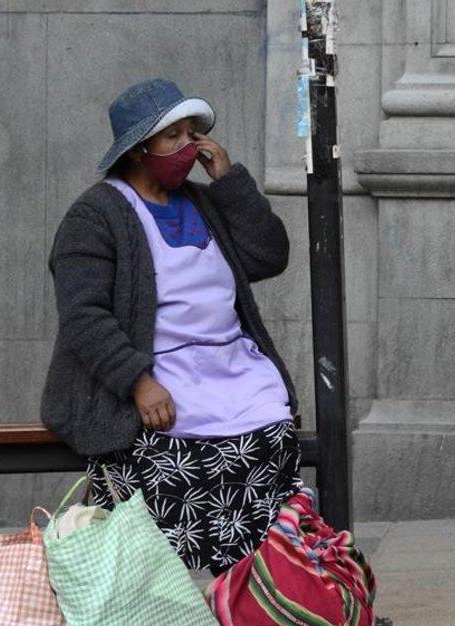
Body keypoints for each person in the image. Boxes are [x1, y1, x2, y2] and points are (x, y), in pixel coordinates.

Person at [41, 78, 301, 574]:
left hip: (232, 372)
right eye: (172, 137)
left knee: (271, 435)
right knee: (168, 457)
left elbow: (270, 255)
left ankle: (261, 595)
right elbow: (83, 314)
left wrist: (230, 184)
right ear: (138, 149)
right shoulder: (96, 215)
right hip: (153, 378)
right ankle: (166, 600)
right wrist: (138, 382)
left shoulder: (205, 204)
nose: (189, 147)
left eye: (192, 134)